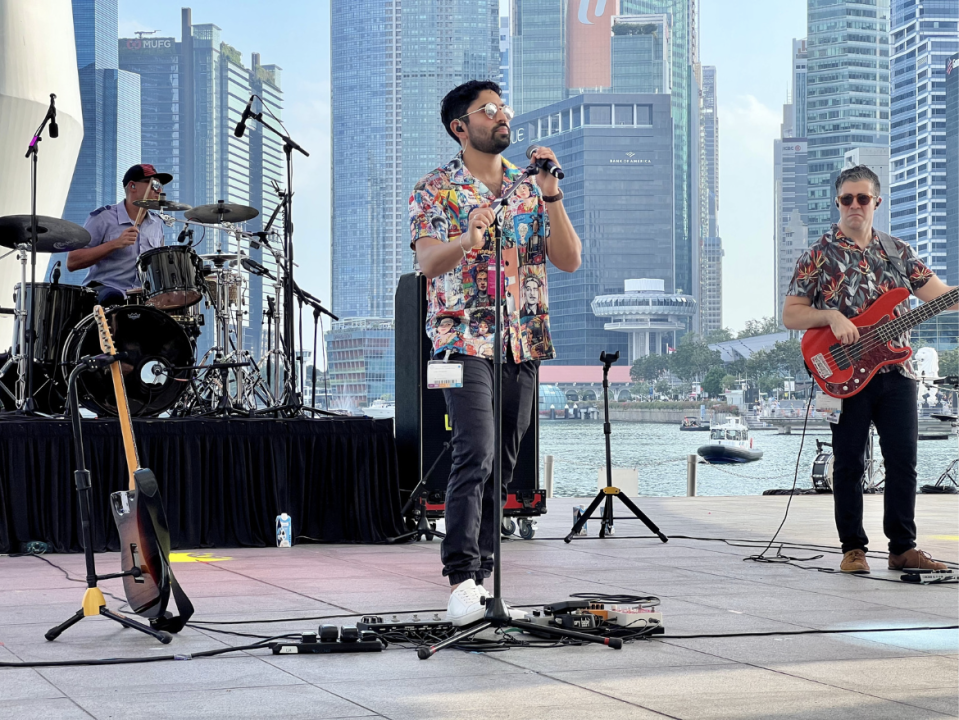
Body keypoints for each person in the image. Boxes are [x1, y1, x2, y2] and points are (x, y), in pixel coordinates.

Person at [410, 80, 581, 625]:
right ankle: (461, 577)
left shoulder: (530, 188)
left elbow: (569, 259)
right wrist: (467, 238)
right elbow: (428, 263)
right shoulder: (435, 189)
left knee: (504, 459)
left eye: (503, 107)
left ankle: (485, 579)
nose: (502, 116)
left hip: (520, 338)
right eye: (488, 110)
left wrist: (551, 194)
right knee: (474, 451)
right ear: (461, 127)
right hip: (460, 340)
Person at [783, 164, 957, 574]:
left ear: (876, 202)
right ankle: (853, 549)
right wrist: (830, 317)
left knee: (903, 460)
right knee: (848, 461)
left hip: (896, 371)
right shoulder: (818, 255)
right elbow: (792, 315)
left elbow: (943, 297)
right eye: (847, 199)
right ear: (837, 202)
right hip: (841, 371)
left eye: (863, 198)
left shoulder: (897, 252)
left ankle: (902, 547)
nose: (855, 205)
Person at [67, 164, 171, 305]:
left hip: (141, 296)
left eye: (160, 186)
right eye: (153, 184)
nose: (158, 190)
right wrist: (115, 244)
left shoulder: (157, 223)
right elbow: (72, 261)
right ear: (132, 186)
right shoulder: (103, 218)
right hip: (105, 291)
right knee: (113, 297)